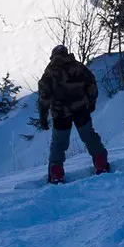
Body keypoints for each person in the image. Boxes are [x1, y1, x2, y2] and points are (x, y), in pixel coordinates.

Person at [37, 44, 111, 184]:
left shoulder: (49, 73)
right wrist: (91, 103)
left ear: (52, 56)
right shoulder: (78, 66)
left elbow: (44, 97)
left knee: (59, 144)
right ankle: (101, 164)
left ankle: (56, 174)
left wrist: (43, 116)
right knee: (89, 136)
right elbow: (91, 85)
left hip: (60, 114)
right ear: (67, 53)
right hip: (81, 109)